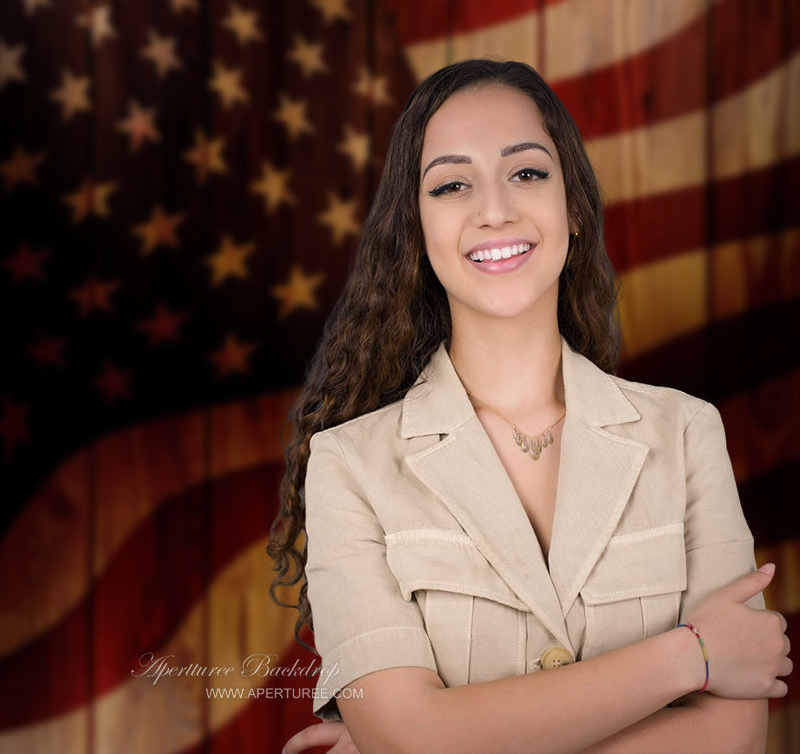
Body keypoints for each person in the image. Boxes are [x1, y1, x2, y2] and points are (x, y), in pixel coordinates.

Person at [269, 59, 792, 754]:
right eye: (452, 184)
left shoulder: (688, 434)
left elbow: (733, 739)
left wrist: (437, 740)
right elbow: (409, 739)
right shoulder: (349, 466)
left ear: (572, 207)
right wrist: (690, 656)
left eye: (526, 172)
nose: (495, 209)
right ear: (417, 232)